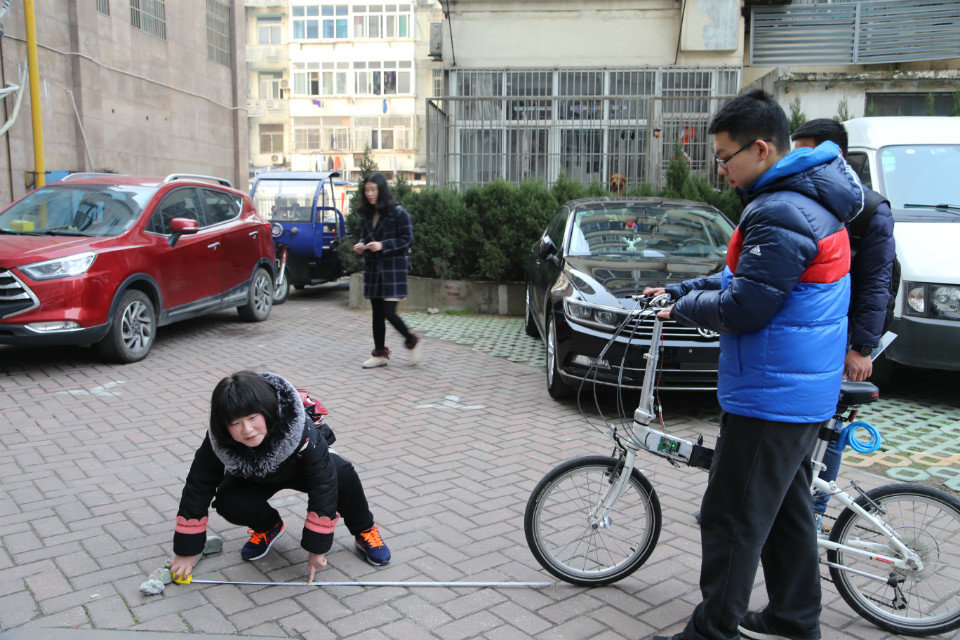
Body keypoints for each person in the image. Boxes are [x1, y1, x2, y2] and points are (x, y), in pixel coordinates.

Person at [645, 89, 863, 640]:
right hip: (792, 390)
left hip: (773, 394)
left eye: (724, 157)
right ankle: (793, 620)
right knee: (787, 515)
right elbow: (744, 279)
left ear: (761, 148)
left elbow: (745, 306)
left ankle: (711, 632)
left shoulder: (779, 209)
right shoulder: (797, 201)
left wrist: (680, 307)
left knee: (731, 518)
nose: (720, 170)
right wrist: (684, 288)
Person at [169, 370, 391, 585]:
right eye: (235, 423)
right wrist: (186, 551)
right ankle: (268, 527)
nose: (247, 430)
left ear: (267, 409)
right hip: (255, 476)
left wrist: (317, 547)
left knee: (342, 474)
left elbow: (323, 483)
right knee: (229, 501)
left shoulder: (298, 425)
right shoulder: (218, 439)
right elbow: (198, 485)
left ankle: (364, 529)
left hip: (300, 468)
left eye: (253, 417)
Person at [791, 118, 896, 530]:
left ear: (832, 155)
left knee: (831, 423)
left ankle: (815, 510)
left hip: (846, 335)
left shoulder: (870, 210)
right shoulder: (808, 201)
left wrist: (862, 347)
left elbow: (876, 284)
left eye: (806, 152)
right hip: (810, 329)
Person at [352, 172, 421, 369]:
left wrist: (383, 245)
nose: (370, 193)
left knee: (389, 312)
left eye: (373, 189)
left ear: (382, 190)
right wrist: (361, 244)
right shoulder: (367, 214)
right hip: (373, 270)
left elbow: (407, 238)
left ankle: (411, 340)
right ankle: (380, 353)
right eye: (366, 190)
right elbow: (365, 236)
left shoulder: (398, 212)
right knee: (376, 314)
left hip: (392, 271)